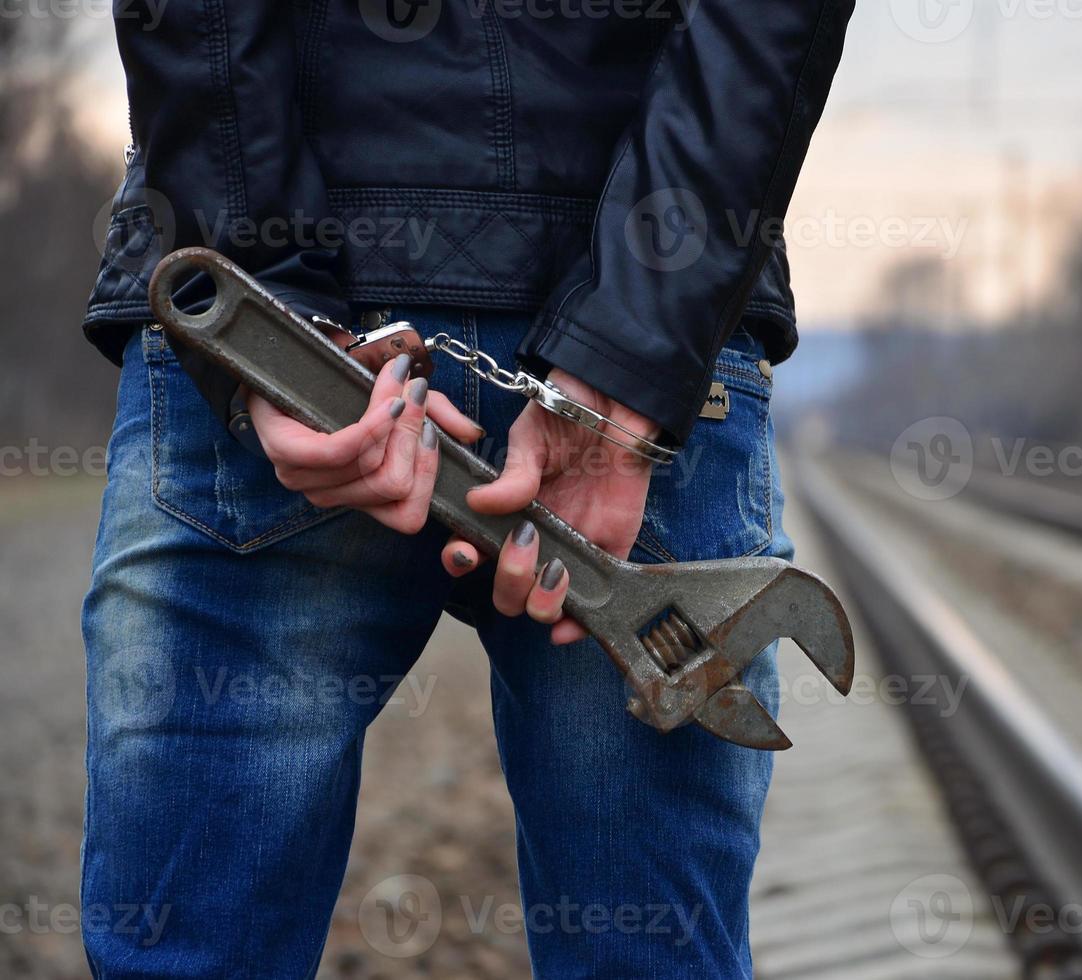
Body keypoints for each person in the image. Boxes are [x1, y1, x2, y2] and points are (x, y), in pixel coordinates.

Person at [80, 2, 853, 976]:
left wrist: (263, 283)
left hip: (282, 314)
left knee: (182, 956)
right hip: (656, 365)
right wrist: (635, 338)